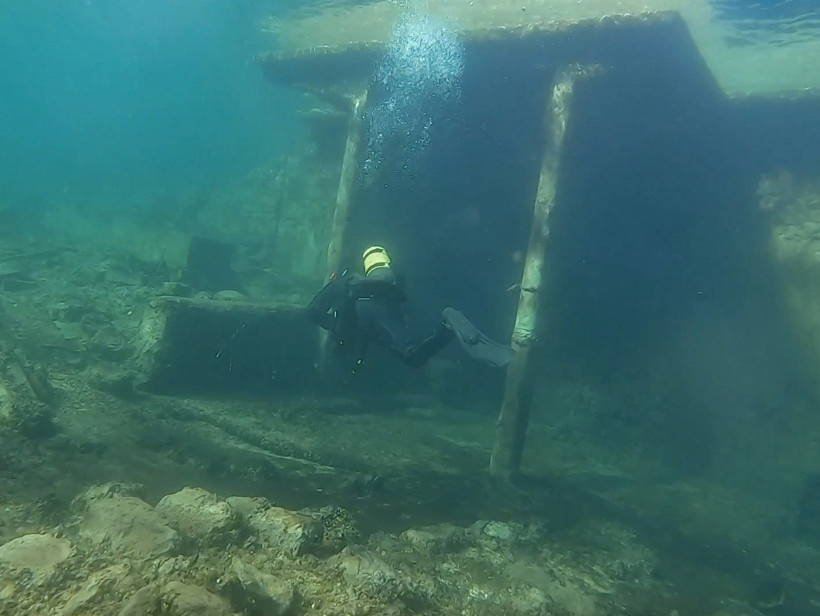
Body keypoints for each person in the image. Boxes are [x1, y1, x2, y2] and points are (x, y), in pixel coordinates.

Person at [307, 245, 515, 375]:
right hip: (383, 312)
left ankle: (446, 326)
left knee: (408, 357)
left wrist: (336, 326)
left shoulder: (344, 283)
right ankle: (447, 324)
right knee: (413, 355)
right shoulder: (389, 285)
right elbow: (402, 312)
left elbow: (312, 311)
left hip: (357, 318)